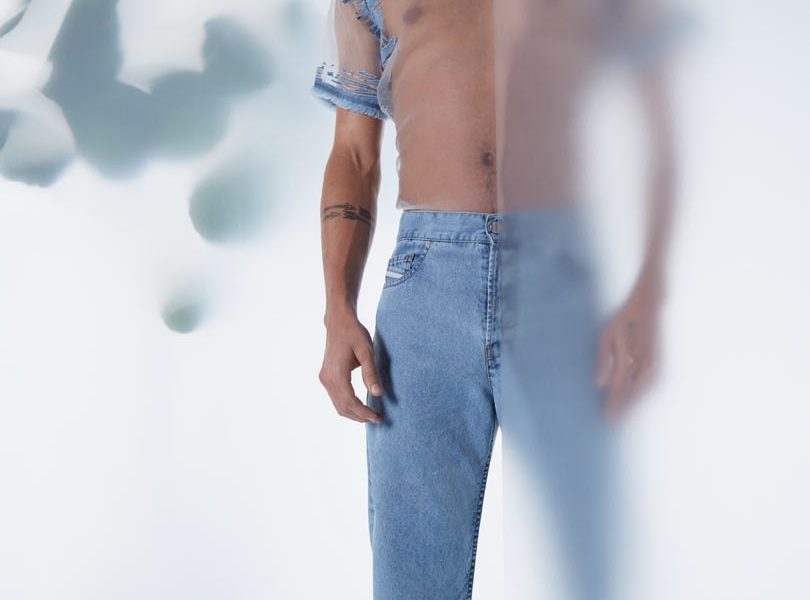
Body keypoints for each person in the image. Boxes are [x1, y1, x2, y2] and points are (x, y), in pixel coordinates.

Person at [313, 0, 682, 597]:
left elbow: (660, 120)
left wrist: (648, 293)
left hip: (556, 281)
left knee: (590, 568)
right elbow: (354, 152)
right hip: (426, 285)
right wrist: (337, 308)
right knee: (413, 577)